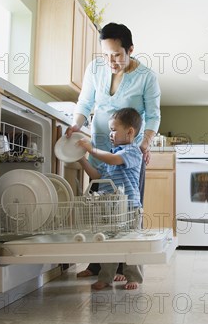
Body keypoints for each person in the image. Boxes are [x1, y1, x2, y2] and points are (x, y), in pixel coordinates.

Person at [65, 22, 161, 279]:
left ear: (130, 50)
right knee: (100, 209)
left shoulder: (147, 77)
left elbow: (153, 116)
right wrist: (76, 124)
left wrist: (144, 145)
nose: (111, 61)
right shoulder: (94, 69)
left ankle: (124, 268)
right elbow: (85, 102)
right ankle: (98, 265)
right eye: (106, 55)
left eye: (117, 55)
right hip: (99, 147)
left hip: (128, 153)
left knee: (128, 208)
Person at [76, 108, 144, 290]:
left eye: (114, 130)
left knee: (130, 244)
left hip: (129, 207)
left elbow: (114, 160)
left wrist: (92, 149)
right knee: (108, 243)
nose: (111, 134)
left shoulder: (132, 152)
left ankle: (133, 278)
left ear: (130, 132)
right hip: (109, 208)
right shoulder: (112, 154)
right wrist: (82, 159)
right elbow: (97, 175)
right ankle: (106, 277)